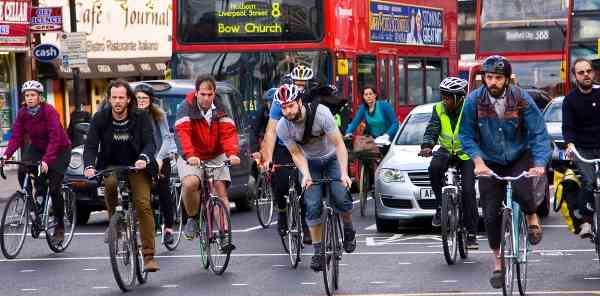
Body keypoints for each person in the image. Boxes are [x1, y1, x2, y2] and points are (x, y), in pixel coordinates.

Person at [459, 55, 551, 288]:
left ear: (507, 79)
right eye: (489, 77)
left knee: (522, 190)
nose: (493, 82)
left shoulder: (521, 98)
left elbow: (539, 132)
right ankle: (499, 262)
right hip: (489, 160)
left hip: (518, 155)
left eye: (498, 78)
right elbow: (466, 135)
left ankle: (531, 215)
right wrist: (478, 162)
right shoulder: (473, 101)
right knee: (490, 213)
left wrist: (539, 163)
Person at [274, 83, 356, 272]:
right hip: (309, 162)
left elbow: (339, 144)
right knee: (312, 205)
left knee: (341, 196)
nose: (287, 111)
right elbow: (296, 153)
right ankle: (318, 252)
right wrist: (306, 175)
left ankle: (349, 229)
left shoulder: (322, 113)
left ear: (300, 102)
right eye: (283, 108)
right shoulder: (282, 127)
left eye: (290, 106)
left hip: (332, 158)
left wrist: (344, 173)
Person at [83, 79, 160, 272]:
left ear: (128, 100)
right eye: (114, 97)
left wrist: (143, 158)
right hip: (111, 165)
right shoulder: (100, 117)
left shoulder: (141, 116)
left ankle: (149, 255)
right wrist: (89, 165)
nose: (117, 101)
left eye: (121, 98)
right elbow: (91, 145)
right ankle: (114, 221)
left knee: (143, 204)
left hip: (137, 166)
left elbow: (150, 142)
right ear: (109, 99)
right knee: (109, 185)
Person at [174, 74, 240, 252]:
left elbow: (228, 133)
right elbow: (183, 134)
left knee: (219, 188)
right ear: (196, 93)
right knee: (190, 183)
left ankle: (225, 235)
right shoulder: (185, 107)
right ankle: (192, 218)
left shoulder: (220, 107)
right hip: (192, 154)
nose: (206, 98)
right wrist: (190, 155)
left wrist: (232, 153)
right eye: (202, 94)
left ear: (214, 93)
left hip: (216, 154)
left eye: (209, 94)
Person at [0, 80, 71, 244]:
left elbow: (55, 138)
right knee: (23, 170)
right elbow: (16, 136)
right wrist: (6, 156)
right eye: (27, 95)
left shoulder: (49, 111)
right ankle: (33, 204)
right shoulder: (23, 113)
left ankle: (60, 226)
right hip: (37, 147)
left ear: (40, 97)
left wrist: (47, 160)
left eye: (33, 95)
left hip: (59, 149)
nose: (30, 98)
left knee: (54, 188)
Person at [418, 77, 479, 249]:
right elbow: (432, 129)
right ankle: (440, 206)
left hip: (466, 154)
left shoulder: (469, 109)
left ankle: (472, 234)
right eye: (443, 96)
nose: (444, 100)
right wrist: (427, 146)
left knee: (468, 191)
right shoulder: (438, 108)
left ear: (459, 98)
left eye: (448, 97)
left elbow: (477, 132)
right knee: (434, 168)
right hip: (445, 151)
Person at [253, 85, 312, 243]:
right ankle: (282, 213)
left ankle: (305, 225)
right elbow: (271, 132)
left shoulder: (303, 101)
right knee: (280, 181)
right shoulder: (277, 105)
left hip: (302, 145)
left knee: (303, 186)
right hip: (282, 146)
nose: (287, 108)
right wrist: (268, 158)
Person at [134, 83, 178, 245]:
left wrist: (159, 158)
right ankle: (148, 226)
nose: (141, 101)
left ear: (151, 100)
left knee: (162, 189)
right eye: (138, 98)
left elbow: (167, 138)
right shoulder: (132, 115)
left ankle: (168, 228)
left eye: (144, 98)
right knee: (142, 193)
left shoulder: (158, 114)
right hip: (141, 160)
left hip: (160, 157)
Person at [563, 58, 600, 238]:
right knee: (589, 182)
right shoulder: (570, 100)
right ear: (574, 76)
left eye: (588, 71)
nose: (586, 75)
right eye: (581, 72)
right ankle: (586, 223)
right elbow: (568, 128)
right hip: (582, 149)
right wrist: (570, 145)